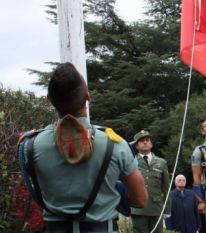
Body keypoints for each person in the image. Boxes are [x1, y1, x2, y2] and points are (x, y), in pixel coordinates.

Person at [24, 62, 147, 233]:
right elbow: (140, 199)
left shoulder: (29, 146)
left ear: (50, 100)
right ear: (88, 97)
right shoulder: (115, 144)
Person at [131, 130, 172, 233]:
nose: (145, 142)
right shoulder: (131, 161)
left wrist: (167, 209)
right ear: (136, 146)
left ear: (151, 144)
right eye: (141, 141)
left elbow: (166, 188)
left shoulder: (161, 163)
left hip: (156, 208)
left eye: (147, 140)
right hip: (138, 208)